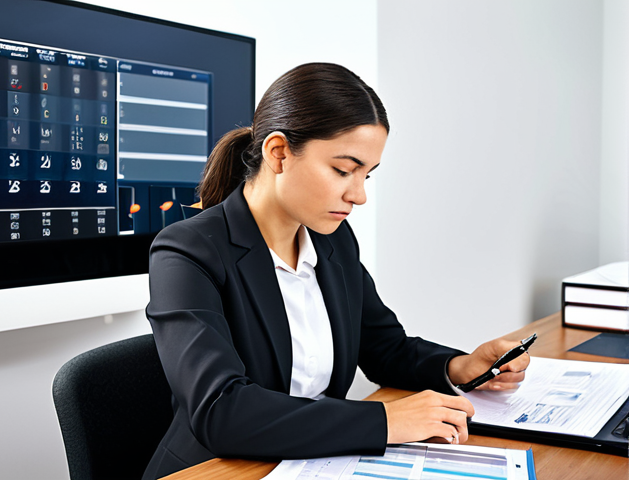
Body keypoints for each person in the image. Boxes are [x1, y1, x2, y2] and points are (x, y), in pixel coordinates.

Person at [143, 63, 529, 480]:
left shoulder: (333, 240)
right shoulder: (185, 251)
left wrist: (458, 366)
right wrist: (385, 422)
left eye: (367, 175)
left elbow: (384, 347)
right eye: (344, 170)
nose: (358, 195)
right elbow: (222, 411)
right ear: (278, 153)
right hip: (220, 470)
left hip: (315, 463)